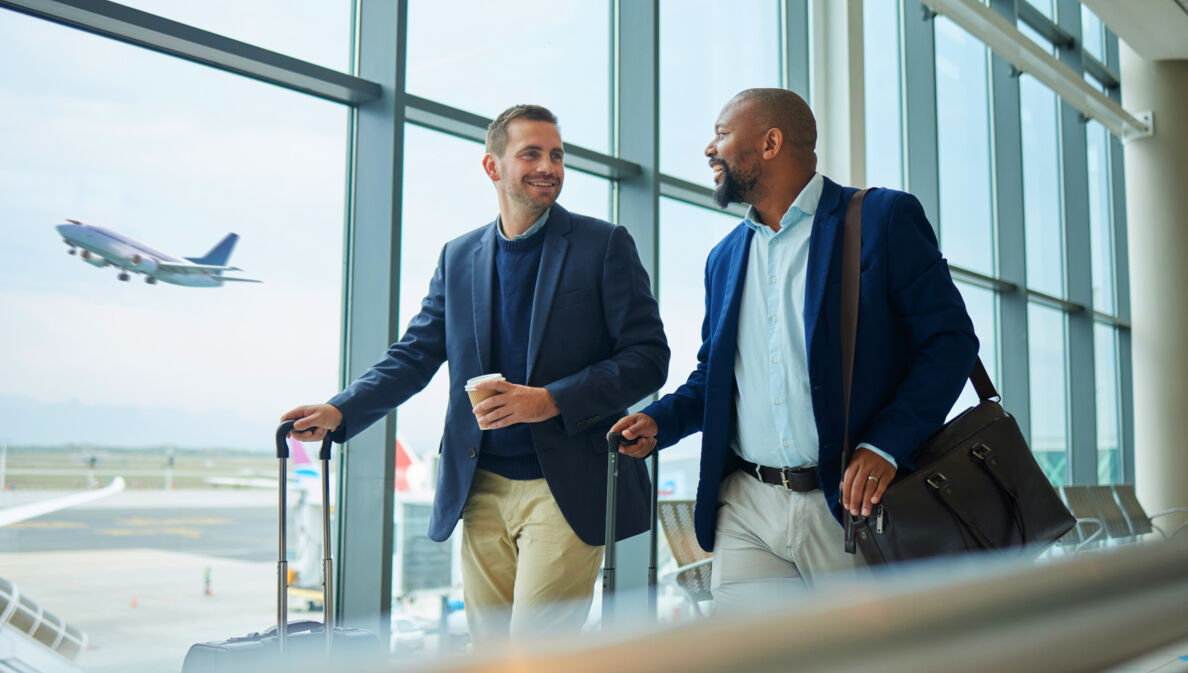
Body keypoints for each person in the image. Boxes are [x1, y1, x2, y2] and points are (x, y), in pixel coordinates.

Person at [282, 104, 669, 644]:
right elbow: (414, 354)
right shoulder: (459, 255)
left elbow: (649, 357)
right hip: (479, 486)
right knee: (489, 653)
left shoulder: (603, 245)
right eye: (531, 153)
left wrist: (550, 400)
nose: (549, 166)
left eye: (556, 155)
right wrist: (341, 410)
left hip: (566, 486)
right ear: (493, 167)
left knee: (536, 653)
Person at [610, 88, 978, 610]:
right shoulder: (725, 258)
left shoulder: (881, 220)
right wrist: (660, 423)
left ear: (770, 142)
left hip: (850, 507)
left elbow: (949, 342)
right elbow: (714, 375)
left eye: (721, 134)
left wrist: (885, 445)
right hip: (747, 507)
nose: (709, 149)